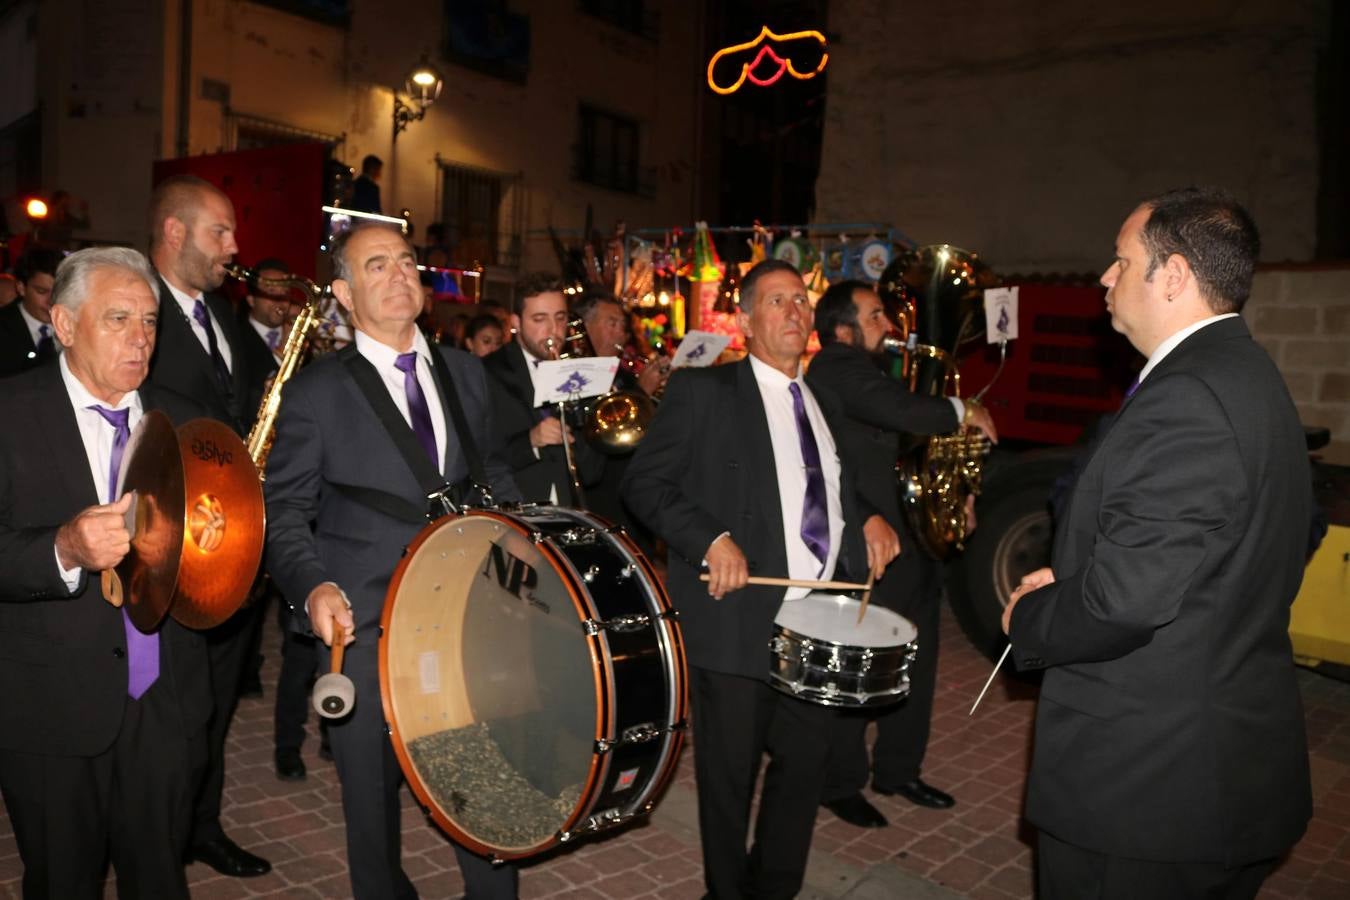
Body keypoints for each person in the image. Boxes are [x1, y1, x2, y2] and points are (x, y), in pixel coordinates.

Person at [1002, 188, 1312, 899]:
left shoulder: (1188, 399)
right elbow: (1207, 561)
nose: (1104, 279)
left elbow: (1125, 602)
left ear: (1171, 276)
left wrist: (1030, 618)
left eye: (1121, 261)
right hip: (1215, 771)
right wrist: (1077, 578)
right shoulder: (1247, 374)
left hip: (1149, 793)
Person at [622, 259, 898, 899]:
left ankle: (775, 888)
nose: (795, 312)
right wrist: (711, 538)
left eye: (801, 301)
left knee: (803, 771)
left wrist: (870, 517)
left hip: (817, 622)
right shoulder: (704, 392)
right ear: (745, 320)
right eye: (777, 302)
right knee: (729, 779)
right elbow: (645, 484)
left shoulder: (823, 398)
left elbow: (830, 486)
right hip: (738, 617)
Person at [264, 222, 521, 899]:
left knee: (480, 778)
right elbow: (284, 509)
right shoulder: (317, 392)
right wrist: (312, 584)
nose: (399, 274)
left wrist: (523, 549)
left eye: (406, 262)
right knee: (370, 801)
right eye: (376, 266)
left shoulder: (465, 372)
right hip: (364, 621)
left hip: (464, 610)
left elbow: (492, 471)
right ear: (344, 295)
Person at [0, 247, 212, 898]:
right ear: (63, 324)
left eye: (150, 321)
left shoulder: (185, 417)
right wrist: (62, 547)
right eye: (118, 318)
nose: (140, 338)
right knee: (63, 879)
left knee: (158, 876)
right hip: (52, 704)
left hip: (165, 695)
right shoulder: (8, 410)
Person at [807, 280, 998, 828]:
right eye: (874, 317)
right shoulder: (835, 369)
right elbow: (906, 414)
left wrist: (958, 492)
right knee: (863, 664)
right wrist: (964, 406)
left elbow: (916, 443)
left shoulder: (875, 372)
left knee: (918, 662)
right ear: (843, 330)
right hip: (867, 541)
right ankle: (840, 782)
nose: (888, 327)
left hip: (911, 537)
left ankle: (898, 769)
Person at [145, 174, 270, 878]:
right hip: (173, 541)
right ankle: (155, 841)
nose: (234, 246)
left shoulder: (223, 315)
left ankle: (203, 824)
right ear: (174, 233)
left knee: (218, 701)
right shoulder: (138, 307)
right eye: (219, 231)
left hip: (232, 539)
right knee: (172, 711)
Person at [482, 274, 605, 505]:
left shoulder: (576, 370)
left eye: (560, 318)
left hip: (571, 511)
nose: (554, 330)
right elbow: (480, 456)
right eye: (540, 319)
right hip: (517, 510)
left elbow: (592, 471)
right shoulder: (489, 372)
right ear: (516, 323)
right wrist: (531, 441)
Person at [0, 246, 64, 376]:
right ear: (21, 287)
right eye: (41, 291)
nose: (51, 301)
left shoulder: (77, 327)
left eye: (58, 292)